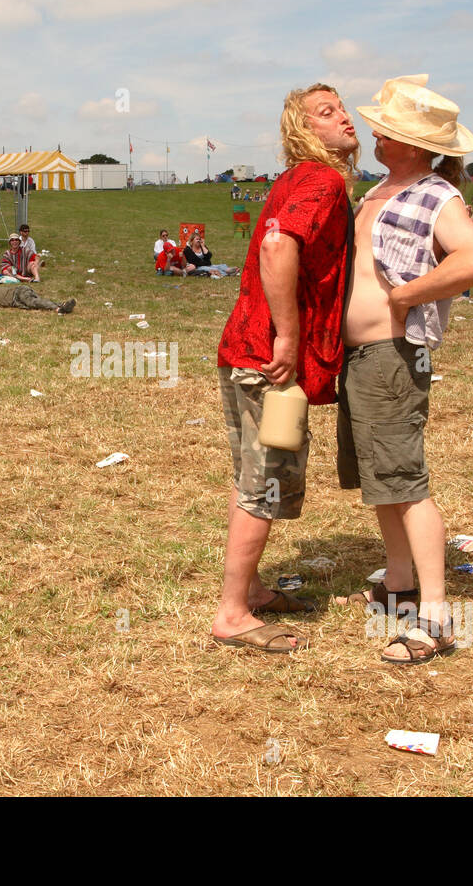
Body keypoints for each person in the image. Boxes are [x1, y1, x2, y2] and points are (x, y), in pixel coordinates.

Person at [338, 74, 473, 664]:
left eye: (388, 128)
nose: (376, 132)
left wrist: (404, 298)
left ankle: (435, 618)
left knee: (405, 483)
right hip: (360, 358)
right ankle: (398, 584)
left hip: (393, 356)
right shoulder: (379, 189)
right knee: (381, 480)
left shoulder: (437, 196)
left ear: (415, 141)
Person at [211, 82, 359, 654]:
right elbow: (277, 248)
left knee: (251, 475)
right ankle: (232, 614)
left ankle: (250, 589)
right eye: (327, 113)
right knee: (265, 479)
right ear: (304, 131)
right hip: (270, 359)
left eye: (342, 108)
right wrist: (291, 338)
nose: (345, 119)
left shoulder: (296, 181)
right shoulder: (319, 181)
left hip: (245, 349)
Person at [0, 272, 75, 313]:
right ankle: (62, 305)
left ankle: (58, 309)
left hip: (18, 292)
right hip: (17, 302)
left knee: (32, 303)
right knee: (36, 304)